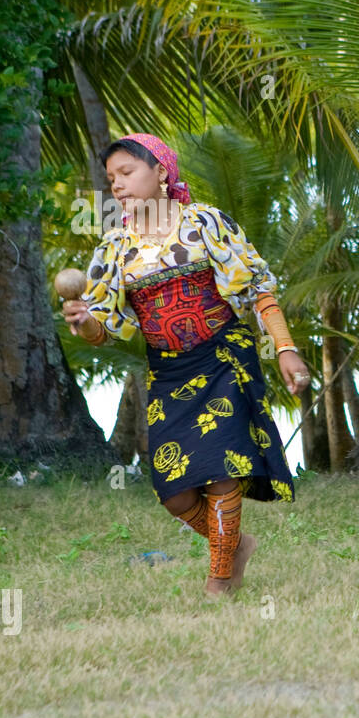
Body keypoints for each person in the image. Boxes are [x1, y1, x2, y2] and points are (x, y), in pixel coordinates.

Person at [64, 134, 308, 595]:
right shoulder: (115, 247)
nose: (117, 184)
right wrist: (82, 322)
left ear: (161, 172)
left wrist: (285, 348)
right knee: (174, 490)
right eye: (111, 177)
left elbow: (257, 289)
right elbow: (105, 331)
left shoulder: (204, 223)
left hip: (223, 356)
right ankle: (233, 545)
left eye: (127, 172)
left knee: (221, 468)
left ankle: (219, 581)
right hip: (170, 370)